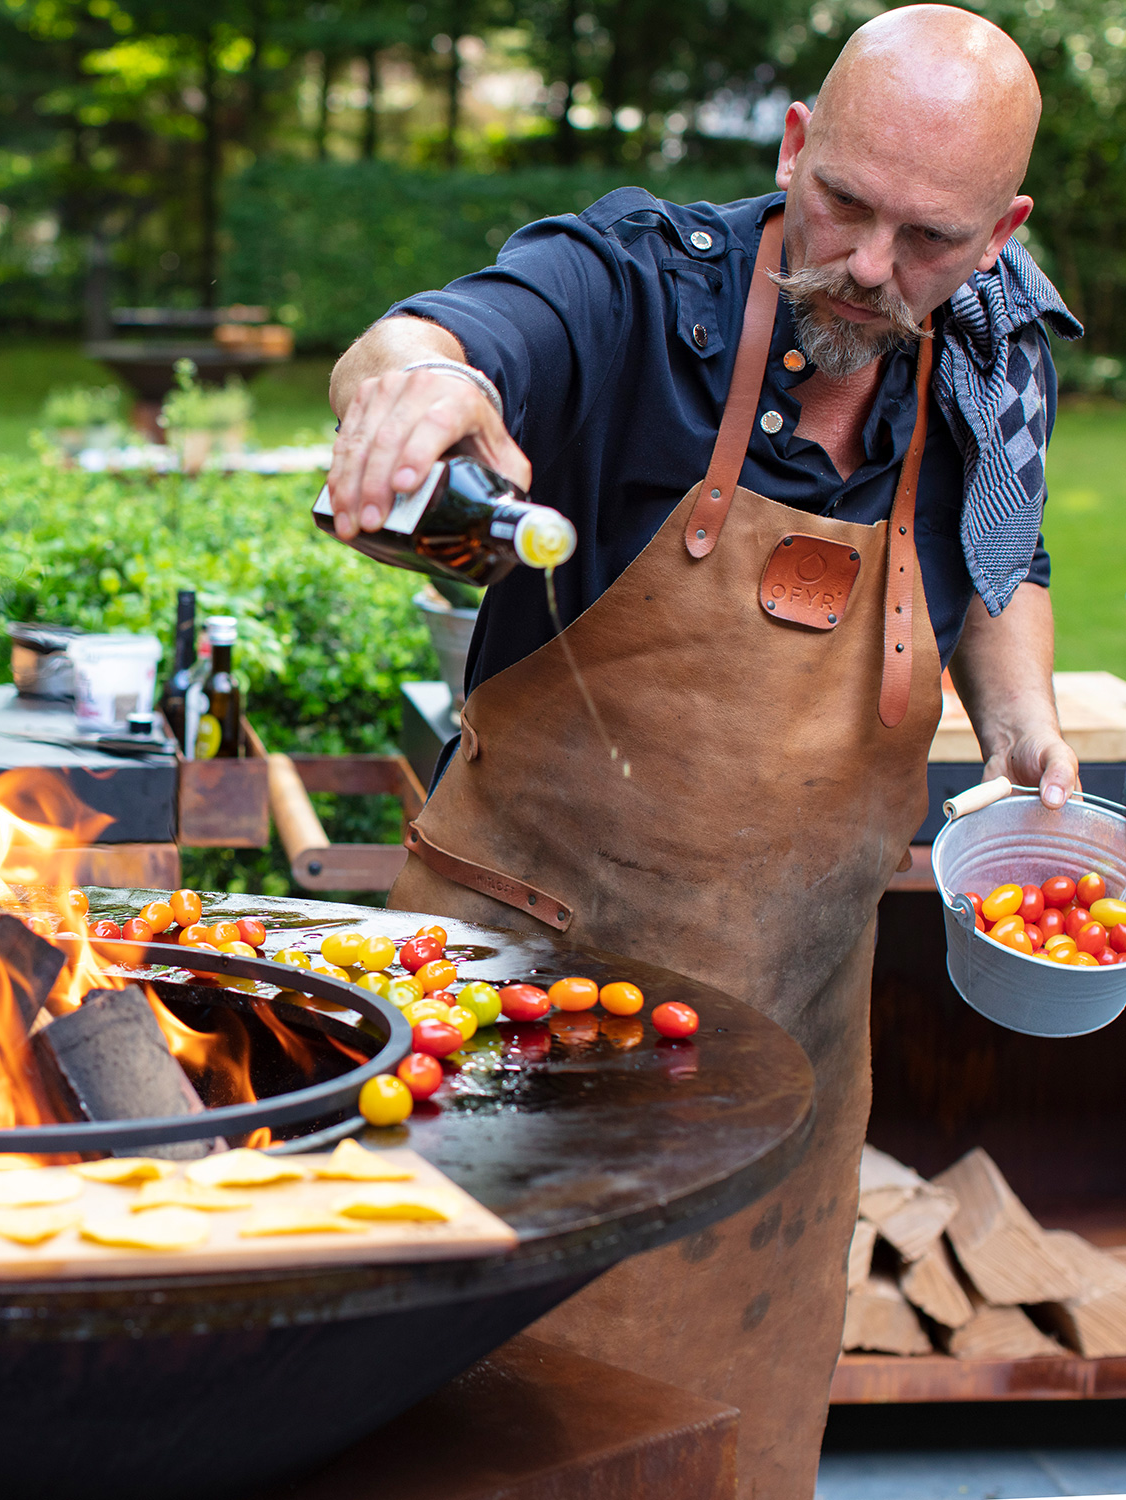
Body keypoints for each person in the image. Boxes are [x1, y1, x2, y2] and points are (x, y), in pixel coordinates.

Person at [324, 7, 1082, 1497]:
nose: (869, 267)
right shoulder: (633, 286)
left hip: (777, 1079)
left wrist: (1023, 719)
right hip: (509, 1045)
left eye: (924, 237)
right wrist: (417, 390)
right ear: (796, 142)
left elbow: (1004, 556)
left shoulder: (992, 344)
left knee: (720, 1455)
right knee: (456, 1450)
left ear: (999, 232)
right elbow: (442, 338)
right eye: (843, 203)